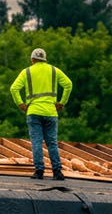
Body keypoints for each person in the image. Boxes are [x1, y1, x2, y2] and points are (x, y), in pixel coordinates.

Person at [9, 48, 73, 180]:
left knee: (36, 142)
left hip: (33, 112)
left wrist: (20, 104)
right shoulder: (54, 70)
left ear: (32, 60)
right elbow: (68, 84)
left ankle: (39, 171)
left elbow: (13, 88)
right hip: (51, 112)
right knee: (52, 142)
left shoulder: (27, 72)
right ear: (45, 59)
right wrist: (62, 102)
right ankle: (57, 171)